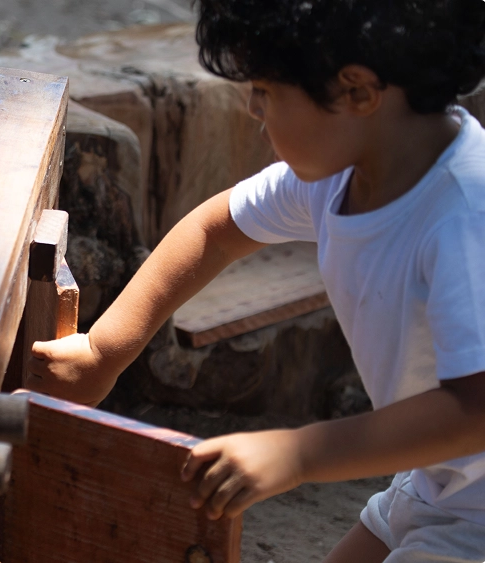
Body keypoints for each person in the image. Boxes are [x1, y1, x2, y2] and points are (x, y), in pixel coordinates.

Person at [24, 1, 485, 560]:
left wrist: (297, 454)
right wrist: (104, 350)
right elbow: (215, 230)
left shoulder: (465, 213)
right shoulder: (351, 170)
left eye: (264, 89)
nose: (251, 108)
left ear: (357, 91)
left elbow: (473, 412)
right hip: (441, 481)